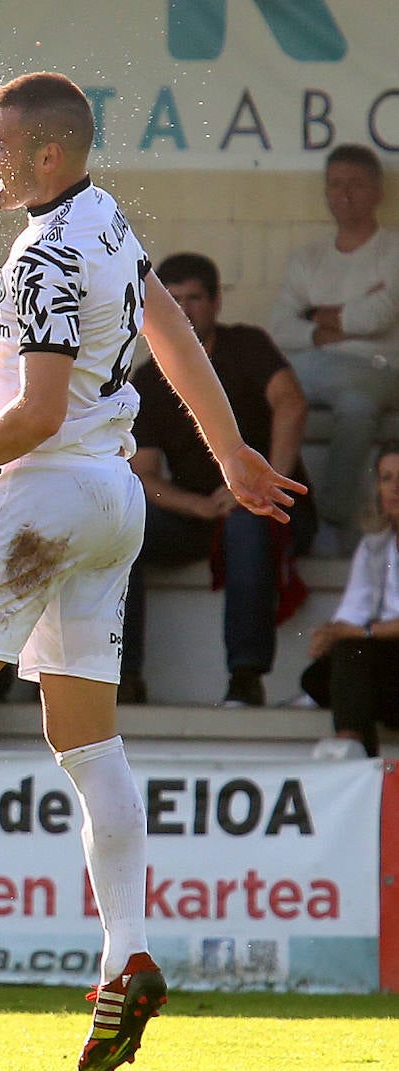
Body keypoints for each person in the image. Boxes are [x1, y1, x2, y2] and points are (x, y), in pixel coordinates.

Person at [0, 73, 305, 1071]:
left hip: (41, 491)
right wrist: (229, 453)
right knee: (87, 737)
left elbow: (37, 411)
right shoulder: (103, 218)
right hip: (111, 498)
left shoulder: (45, 252)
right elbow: (166, 327)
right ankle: (125, 953)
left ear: (46, 153)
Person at [118, 253, 316, 708]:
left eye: (194, 298)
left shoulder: (247, 345)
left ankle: (245, 679)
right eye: (173, 299)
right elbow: (144, 475)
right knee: (120, 528)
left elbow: (291, 404)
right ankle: (123, 678)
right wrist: (201, 505)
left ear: (216, 302)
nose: (184, 309)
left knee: (248, 523)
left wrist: (264, 484)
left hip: (274, 505)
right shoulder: (148, 379)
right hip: (202, 513)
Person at [269, 144, 399, 556]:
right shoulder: (307, 258)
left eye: (356, 185)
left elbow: (383, 314)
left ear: (378, 192)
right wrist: (340, 322)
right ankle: (261, 510)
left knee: (357, 406)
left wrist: (316, 315)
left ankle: (334, 522)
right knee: (263, 390)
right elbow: (281, 327)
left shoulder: (393, 249)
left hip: (376, 368)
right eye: (336, 185)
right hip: (312, 364)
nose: (344, 194)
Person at [300, 442, 399, 757]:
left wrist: (357, 633)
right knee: (321, 673)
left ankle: (351, 744)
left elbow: (359, 630)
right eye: (387, 478)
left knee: (352, 650)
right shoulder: (375, 546)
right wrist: (329, 634)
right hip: (386, 663)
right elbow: (352, 612)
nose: (395, 488)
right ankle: (354, 749)